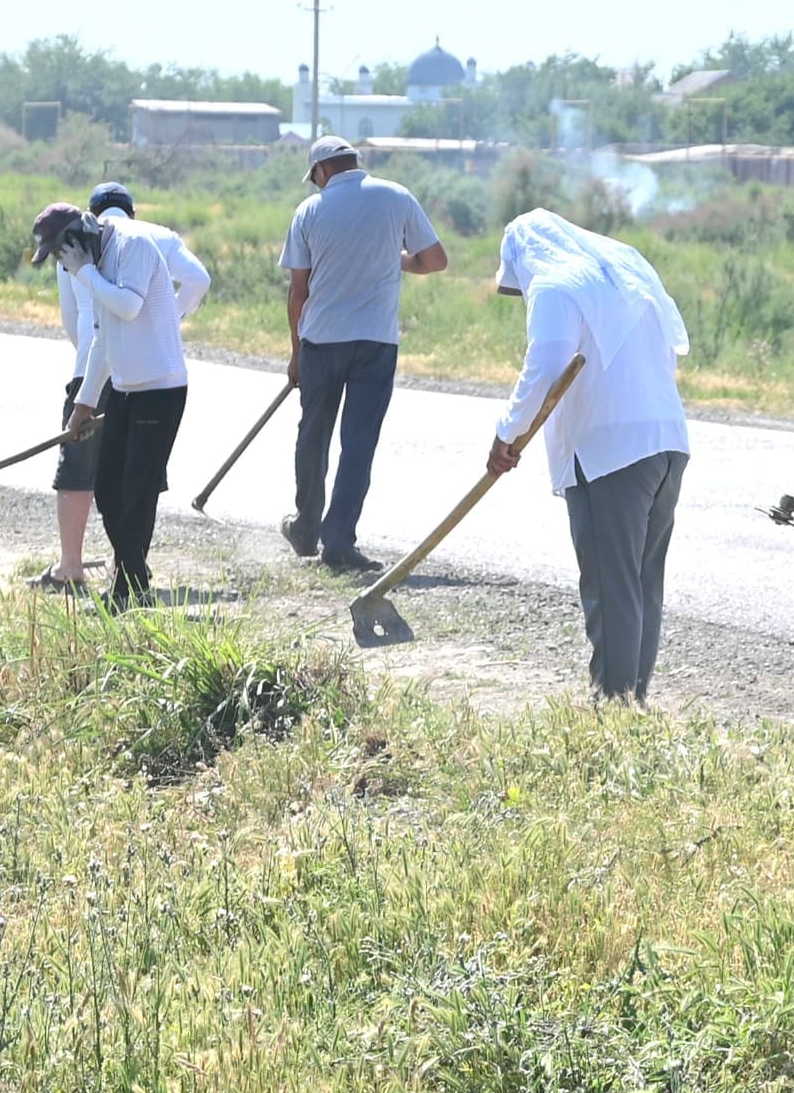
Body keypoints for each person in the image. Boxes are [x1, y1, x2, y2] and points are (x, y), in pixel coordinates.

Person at [480, 210, 692, 700]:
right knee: (641, 583)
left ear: (524, 257)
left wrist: (506, 432)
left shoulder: (554, 284)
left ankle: (613, 703)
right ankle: (632, 699)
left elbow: (546, 365)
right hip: (666, 439)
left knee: (612, 587)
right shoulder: (623, 269)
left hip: (609, 453)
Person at [277, 135, 448, 573]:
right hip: (376, 342)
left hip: (321, 341)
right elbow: (434, 260)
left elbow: (299, 291)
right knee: (358, 443)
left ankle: (305, 527)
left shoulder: (309, 211)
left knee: (313, 435)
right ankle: (338, 542)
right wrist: (396, 258)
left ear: (321, 170)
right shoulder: (397, 197)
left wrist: (296, 354)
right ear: (354, 161)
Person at [35, 183, 209, 606]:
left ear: (78, 238)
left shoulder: (133, 245)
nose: (63, 264)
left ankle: (129, 589)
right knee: (109, 489)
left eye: (61, 253)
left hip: (160, 389)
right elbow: (101, 340)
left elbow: (129, 306)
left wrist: (85, 274)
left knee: (137, 494)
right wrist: (84, 403)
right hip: (126, 389)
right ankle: (134, 579)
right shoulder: (95, 263)